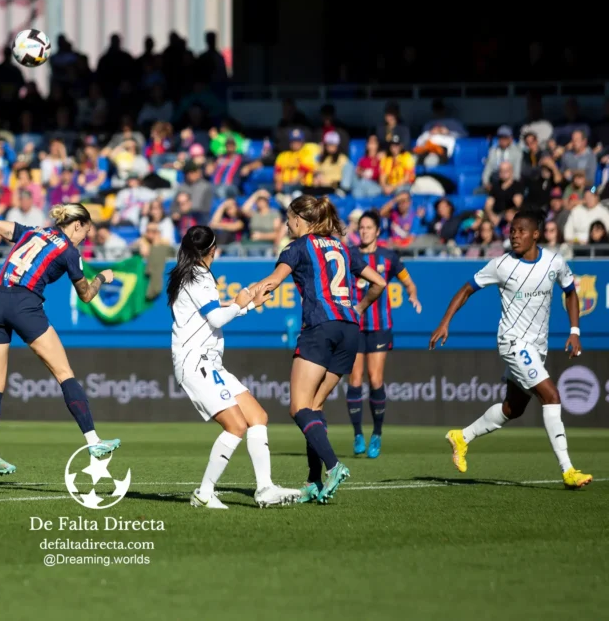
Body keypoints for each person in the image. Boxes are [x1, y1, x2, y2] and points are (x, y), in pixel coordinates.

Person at [429, 208, 592, 489]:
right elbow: (467, 288)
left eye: (521, 231)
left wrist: (575, 331)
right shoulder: (501, 264)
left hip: (537, 346)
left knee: (512, 408)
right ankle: (568, 470)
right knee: (551, 396)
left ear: (536, 234)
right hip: (512, 342)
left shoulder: (554, 262)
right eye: (512, 230)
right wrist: (445, 322)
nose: (514, 235)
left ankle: (462, 436)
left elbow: (570, 291)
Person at [250, 195, 387, 504]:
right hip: (350, 330)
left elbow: (274, 281)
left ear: (302, 219)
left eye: (289, 218)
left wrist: (253, 294)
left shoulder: (297, 248)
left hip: (320, 328)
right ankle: (313, 481)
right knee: (314, 407)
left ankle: (334, 466)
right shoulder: (343, 247)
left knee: (298, 408)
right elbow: (378, 283)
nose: (286, 224)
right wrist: (358, 308)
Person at [0, 204, 121, 475]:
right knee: (64, 373)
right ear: (77, 225)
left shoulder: (33, 231)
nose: (84, 239)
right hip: (25, 304)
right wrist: (102, 277)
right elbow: (87, 296)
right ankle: (93, 441)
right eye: (85, 232)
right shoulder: (69, 251)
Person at [168, 225, 301, 509]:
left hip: (209, 362)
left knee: (258, 417)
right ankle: (204, 493)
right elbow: (216, 319)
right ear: (211, 249)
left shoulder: (191, 274)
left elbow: (211, 314)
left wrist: (248, 306)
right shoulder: (198, 277)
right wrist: (241, 303)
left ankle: (265, 488)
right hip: (196, 363)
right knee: (236, 425)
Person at [341, 211, 422, 458]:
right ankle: (357, 434)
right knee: (354, 380)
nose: (364, 231)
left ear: (377, 231)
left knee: (375, 380)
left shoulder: (388, 257)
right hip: (354, 324)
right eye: (361, 227)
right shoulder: (349, 254)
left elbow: (408, 280)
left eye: (368, 228)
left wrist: (412, 294)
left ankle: (377, 433)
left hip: (379, 326)